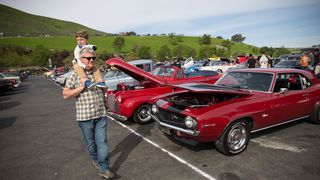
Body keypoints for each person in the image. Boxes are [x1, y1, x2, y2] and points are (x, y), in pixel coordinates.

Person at [63, 46, 114, 179]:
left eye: (93, 58)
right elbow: (65, 94)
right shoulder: (75, 74)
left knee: (102, 142)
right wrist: (81, 87)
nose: (91, 60)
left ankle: (104, 168)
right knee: (91, 143)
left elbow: (103, 90)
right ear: (81, 59)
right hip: (85, 117)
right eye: (88, 58)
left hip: (101, 114)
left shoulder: (98, 73)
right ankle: (94, 158)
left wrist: (105, 93)